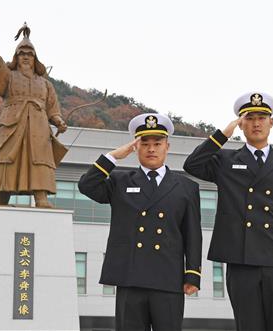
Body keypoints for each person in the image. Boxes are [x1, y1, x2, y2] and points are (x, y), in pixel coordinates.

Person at [183, 92, 273, 331]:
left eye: (262, 117)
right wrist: (224, 134)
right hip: (242, 260)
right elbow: (192, 165)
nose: (256, 123)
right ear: (242, 123)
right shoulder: (226, 159)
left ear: (271, 122)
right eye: (249, 118)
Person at [78, 113, 202, 331]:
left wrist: (192, 273)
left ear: (167, 146)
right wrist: (114, 156)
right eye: (144, 143)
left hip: (168, 278)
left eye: (157, 143)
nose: (151, 149)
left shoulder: (186, 187)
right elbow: (87, 186)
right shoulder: (120, 181)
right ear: (136, 147)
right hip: (131, 277)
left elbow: (192, 233)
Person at [0, 22, 67, 208]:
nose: (26, 57)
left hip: (39, 126)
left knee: (40, 159)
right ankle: (1, 198)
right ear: (16, 57)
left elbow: (52, 108)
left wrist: (59, 121)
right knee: (6, 158)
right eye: (22, 54)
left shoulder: (45, 84)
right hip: (12, 123)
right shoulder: (9, 76)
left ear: (35, 58)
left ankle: (41, 197)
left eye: (29, 54)